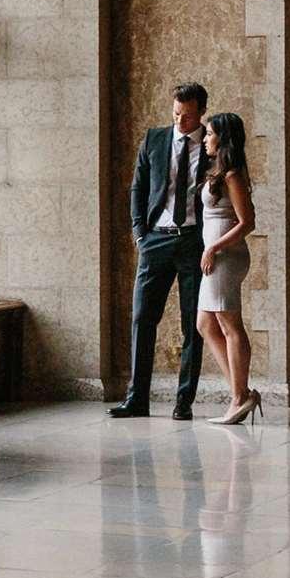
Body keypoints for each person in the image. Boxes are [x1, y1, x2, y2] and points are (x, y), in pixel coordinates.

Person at [112, 84, 213, 419]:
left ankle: (183, 402)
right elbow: (138, 186)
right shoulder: (155, 139)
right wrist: (140, 232)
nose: (179, 121)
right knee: (142, 318)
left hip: (193, 243)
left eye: (186, 116)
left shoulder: (213, 148)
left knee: (191, 325)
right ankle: (136, 398)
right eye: (175, 114)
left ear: (201, 112)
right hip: (155, 239)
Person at [194, 112, 262, 427]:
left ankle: (239, 398)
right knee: (205, 324)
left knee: (229, 324)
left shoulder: (233, 174)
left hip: (226, 258)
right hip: (217, 257)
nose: (205, 138)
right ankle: (241, 392)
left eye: (209, 133)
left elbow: (248, 222)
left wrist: (213, 248)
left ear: (223, 137)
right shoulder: (220, 171)